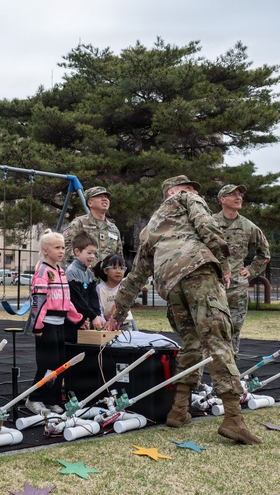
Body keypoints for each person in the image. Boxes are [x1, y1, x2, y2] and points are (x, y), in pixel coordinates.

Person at [108, 175, 261, 445]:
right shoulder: (186, 199)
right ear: (172, 192)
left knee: (192, 343)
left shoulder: (150, 228)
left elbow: (136, 277)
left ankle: (178, 409)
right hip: (197, 270)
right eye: (188, 187)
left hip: (169, 284)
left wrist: (116, 316)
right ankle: (233, 418)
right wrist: (224, 265)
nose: (194, 191)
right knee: (218, 339)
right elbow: (207, 226)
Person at [25, 230, 84, 415]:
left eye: (63, 247)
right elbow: (38, 301)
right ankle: (34, 398)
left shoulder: (60, 271)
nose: (61, 251)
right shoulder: (43, 272)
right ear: (45, 250)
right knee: (47, 364)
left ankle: (52, 399)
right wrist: (38, 325)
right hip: (47, 325)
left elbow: (67, 300)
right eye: (57, 247)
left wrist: (78, 318)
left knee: (60, 364)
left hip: (60, 324)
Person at [214, 184, 270, 356]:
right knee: (211, 325)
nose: (238, 198)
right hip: (212, 283)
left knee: (234, 327)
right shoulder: (210, 223)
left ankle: (231, 362)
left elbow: (264, 253)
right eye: (233, 194)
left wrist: (251, 270)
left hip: (236, 286)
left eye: (240, 195)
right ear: (222, 199)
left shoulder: (249, 227)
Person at [63, 186, 122, 264]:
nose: (105, 199)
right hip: (84, 270)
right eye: (99, 197)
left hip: (106, 271)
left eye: (106, 197)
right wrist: (83, 264)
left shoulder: (113, 229)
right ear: (90, 203)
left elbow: (119, 256)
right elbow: (66, 247)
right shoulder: (79, 223)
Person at [65, 230, 107, 340]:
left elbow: (93, 297)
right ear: (77, 252)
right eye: (89, 253)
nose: (92, 256)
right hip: (71, 322)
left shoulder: (88, 273)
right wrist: (93, 316)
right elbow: (77, 300)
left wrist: (97, 315)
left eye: (94, 253)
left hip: (83, 320)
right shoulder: (71, 272)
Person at [95, 254, 134, 328]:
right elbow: (99, 308)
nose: (118, 271)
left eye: (121, 268)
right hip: (106, 324)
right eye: (114, 268)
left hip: (124, 324)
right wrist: (104, 323)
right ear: (105, 270)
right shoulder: (100, 288)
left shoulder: (125, 285)